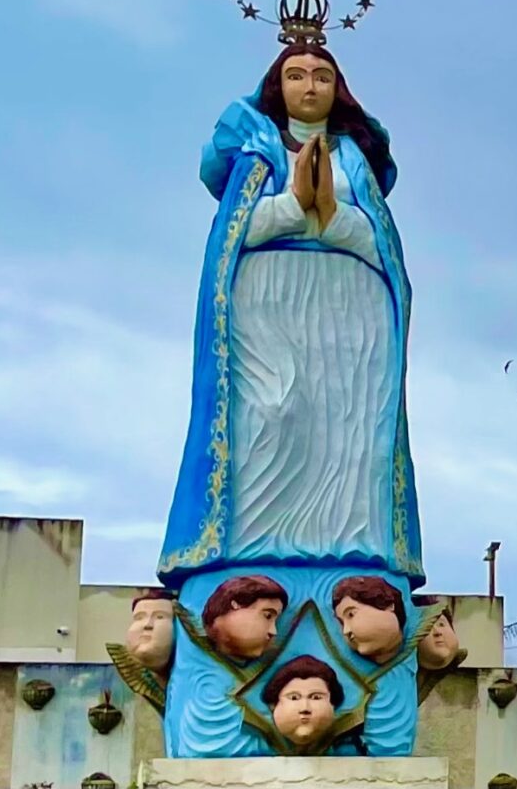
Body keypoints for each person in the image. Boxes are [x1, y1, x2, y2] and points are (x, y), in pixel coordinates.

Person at [161, 40, 422, 579]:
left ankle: (352, 548)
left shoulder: (353, 158)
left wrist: (331, 215)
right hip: (269, 301)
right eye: (297, 76)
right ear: (277, 88)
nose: (309, 87)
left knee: (353, 430)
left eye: (322, 77)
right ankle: (253, 553)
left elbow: (381, 245)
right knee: (270, 415)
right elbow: (234, 235)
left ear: (337, 90)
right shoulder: (259, 149)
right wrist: (291, 205)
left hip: (349, 307)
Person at [259, 654, 343, 754]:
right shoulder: (254, 743)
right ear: (273, 705)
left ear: (333, 704)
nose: (305, 708)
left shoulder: (351, 743)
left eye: (316, 697)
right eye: (294, 698)